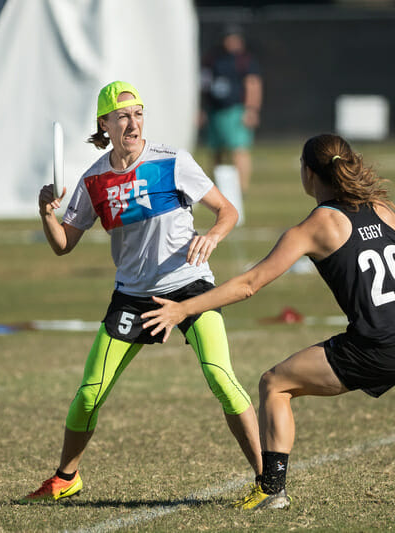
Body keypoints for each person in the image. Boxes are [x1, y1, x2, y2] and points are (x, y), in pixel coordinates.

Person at [142, 133, 395, 510]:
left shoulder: (316, 226)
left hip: (380, 345)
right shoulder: (384, 209)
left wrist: (184, 309)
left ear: (308, 174)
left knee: (273, 384)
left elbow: (249, 284)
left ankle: (272, 489)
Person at [19, 80, 262, 503]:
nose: (133, 123)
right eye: (123, 116)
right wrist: (46, 215)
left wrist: (213, 237)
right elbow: (64, 245)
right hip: (131, 296)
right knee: (90, 392)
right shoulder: (94, 180)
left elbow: (228, 210)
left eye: (138, 114)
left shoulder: (172, 161)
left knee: (221, 377)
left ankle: (267, 479)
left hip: (190, 287)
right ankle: (66, 477)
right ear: (105, 124)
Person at [200, 24, 263, 192]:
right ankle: (215, 189)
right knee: (216, 151)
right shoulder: (213, 58)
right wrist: (202, 109)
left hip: (236, 110)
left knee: (239, 150)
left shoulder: (245, 60)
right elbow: (204, 84)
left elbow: (253, 84)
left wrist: (251, 109)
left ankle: (241, 190)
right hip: (215, 111)